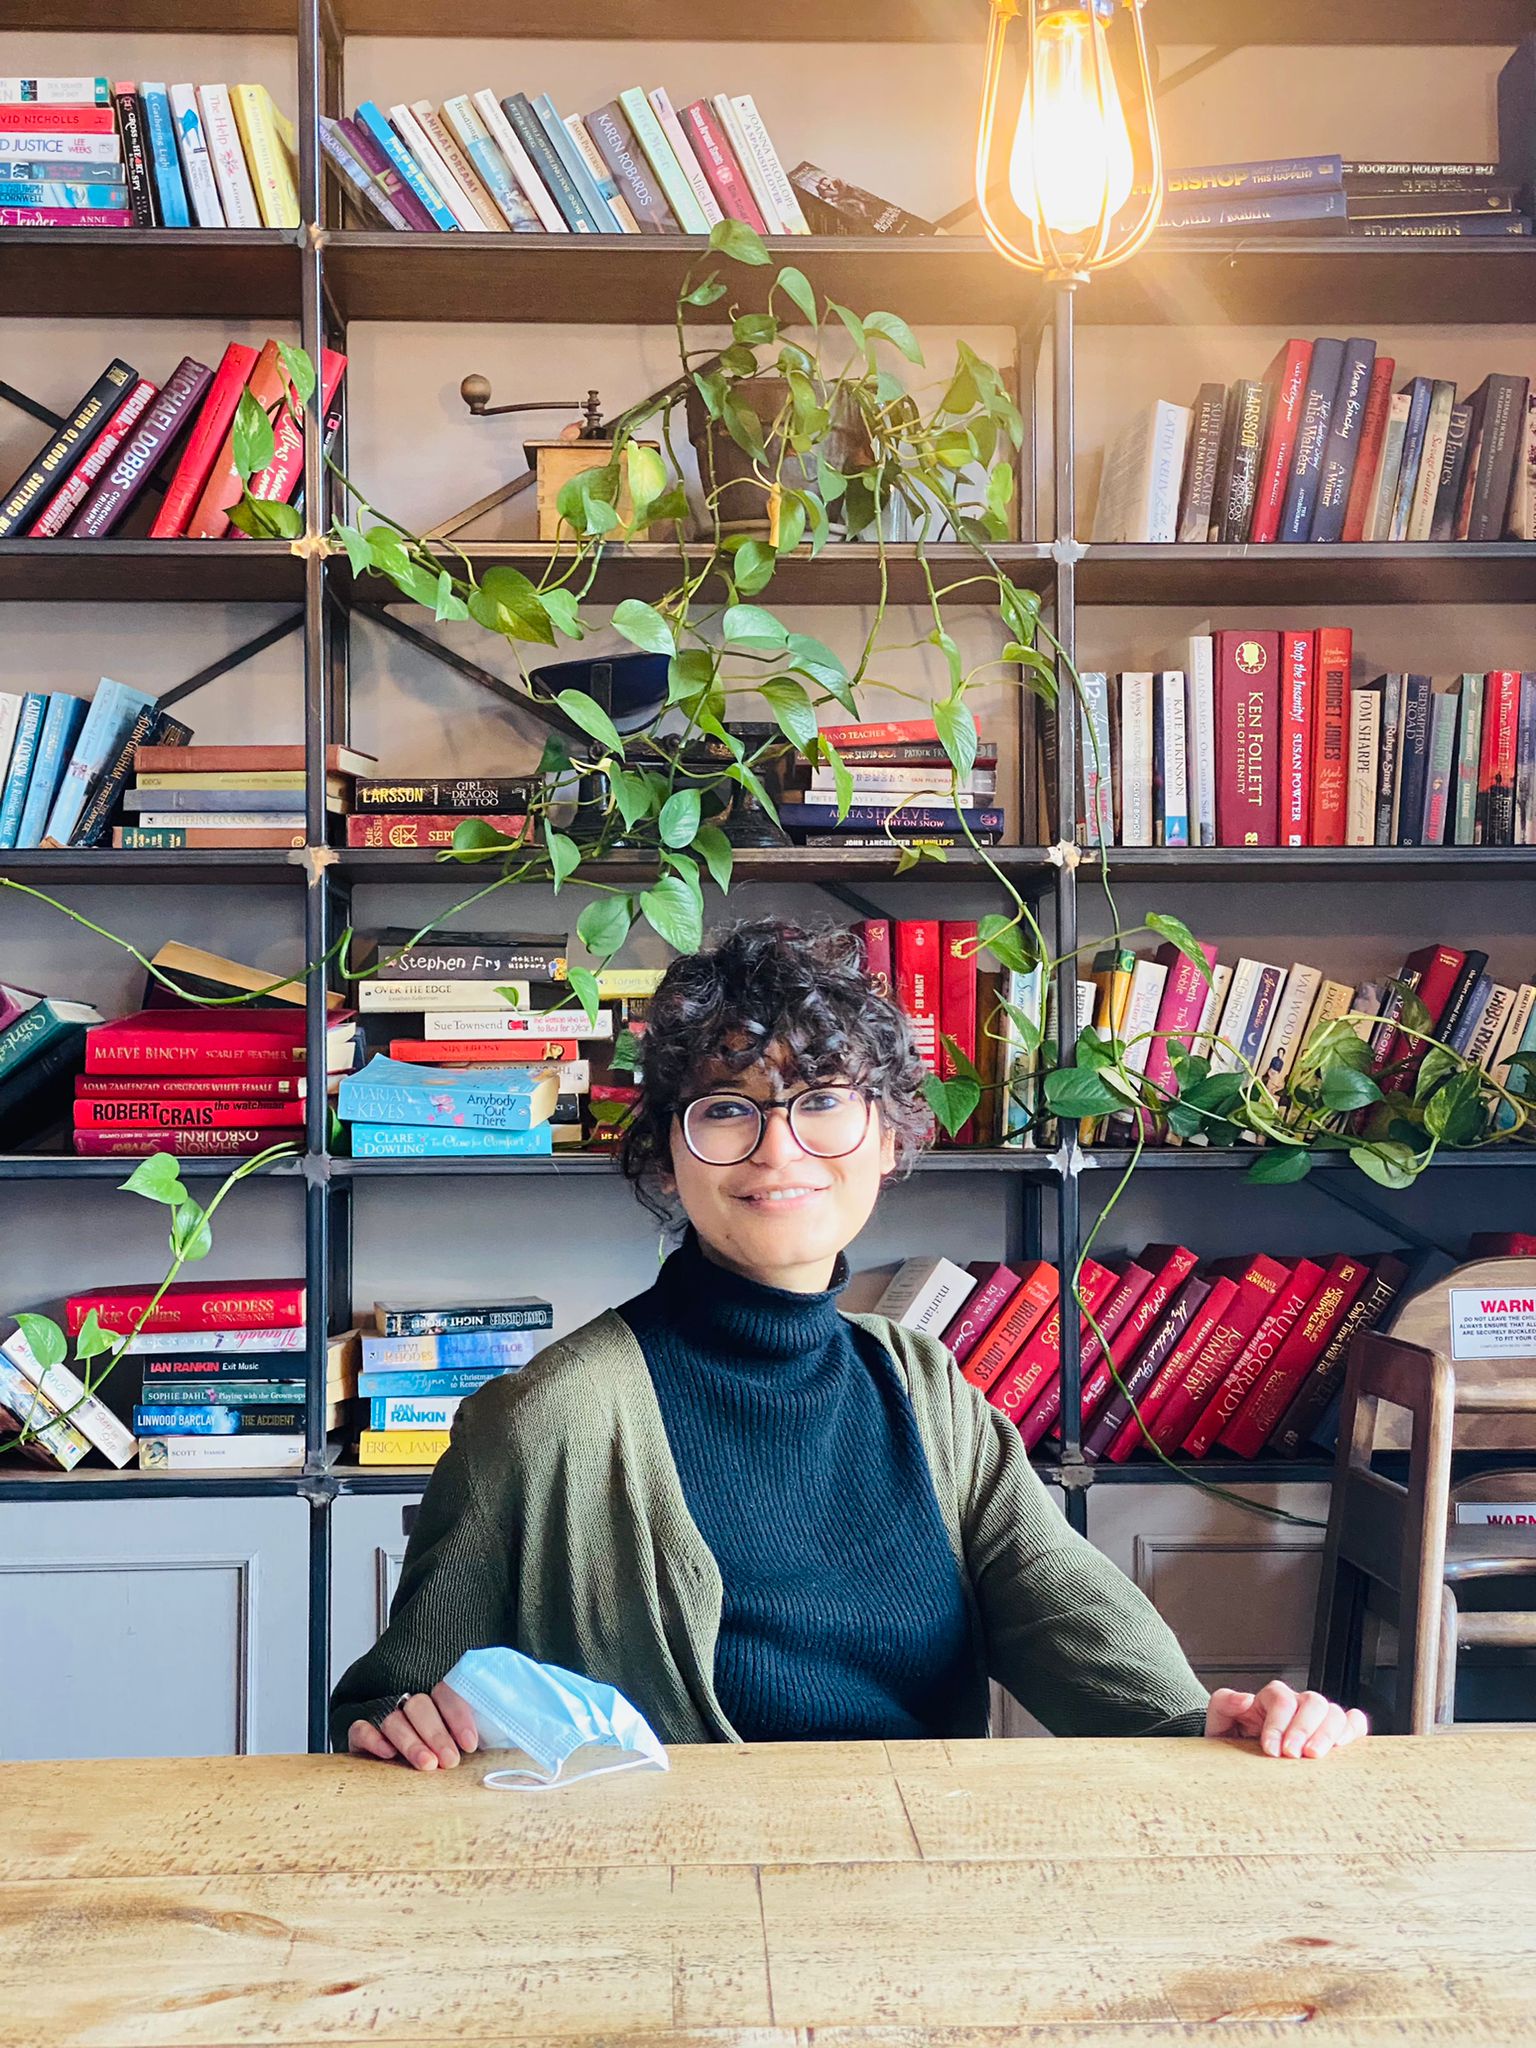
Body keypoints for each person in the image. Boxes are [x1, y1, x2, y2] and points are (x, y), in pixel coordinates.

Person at [333, 919, 1367, 1768]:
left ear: (888, 1136)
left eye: (822, 1101)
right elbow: (391, 1706)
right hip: (672, 1906)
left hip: (918, 1885)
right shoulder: (546, 1418)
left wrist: (1216, 1723)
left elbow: (1073, 1622)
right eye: (726, 1109)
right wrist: (403, 1727)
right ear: (667, 1155)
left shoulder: (926, 1387)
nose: (778, 1148)